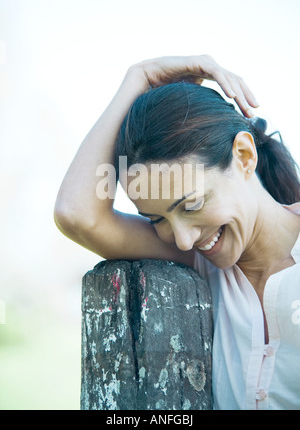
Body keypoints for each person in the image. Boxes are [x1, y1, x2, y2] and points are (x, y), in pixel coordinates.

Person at [54, 55, 300, 410]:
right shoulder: (204, 264)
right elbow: (76, 215)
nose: (184, 240)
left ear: (244, 156)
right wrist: (137, 77)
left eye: (192, 204)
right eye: (158, 220)